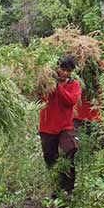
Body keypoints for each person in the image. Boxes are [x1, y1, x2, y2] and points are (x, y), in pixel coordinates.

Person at [39, 55, 81, 196]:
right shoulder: (46, 82)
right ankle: (55, 189)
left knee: (69, 151)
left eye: (68, 70)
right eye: (63, 69)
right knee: (50, 158)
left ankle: (68, 189)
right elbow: (38, 96)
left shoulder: (74, 85)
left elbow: (71, 101)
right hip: (47, 126)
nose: (65, 73)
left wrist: (58, 87)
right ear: (57, 68)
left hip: (65, 126)